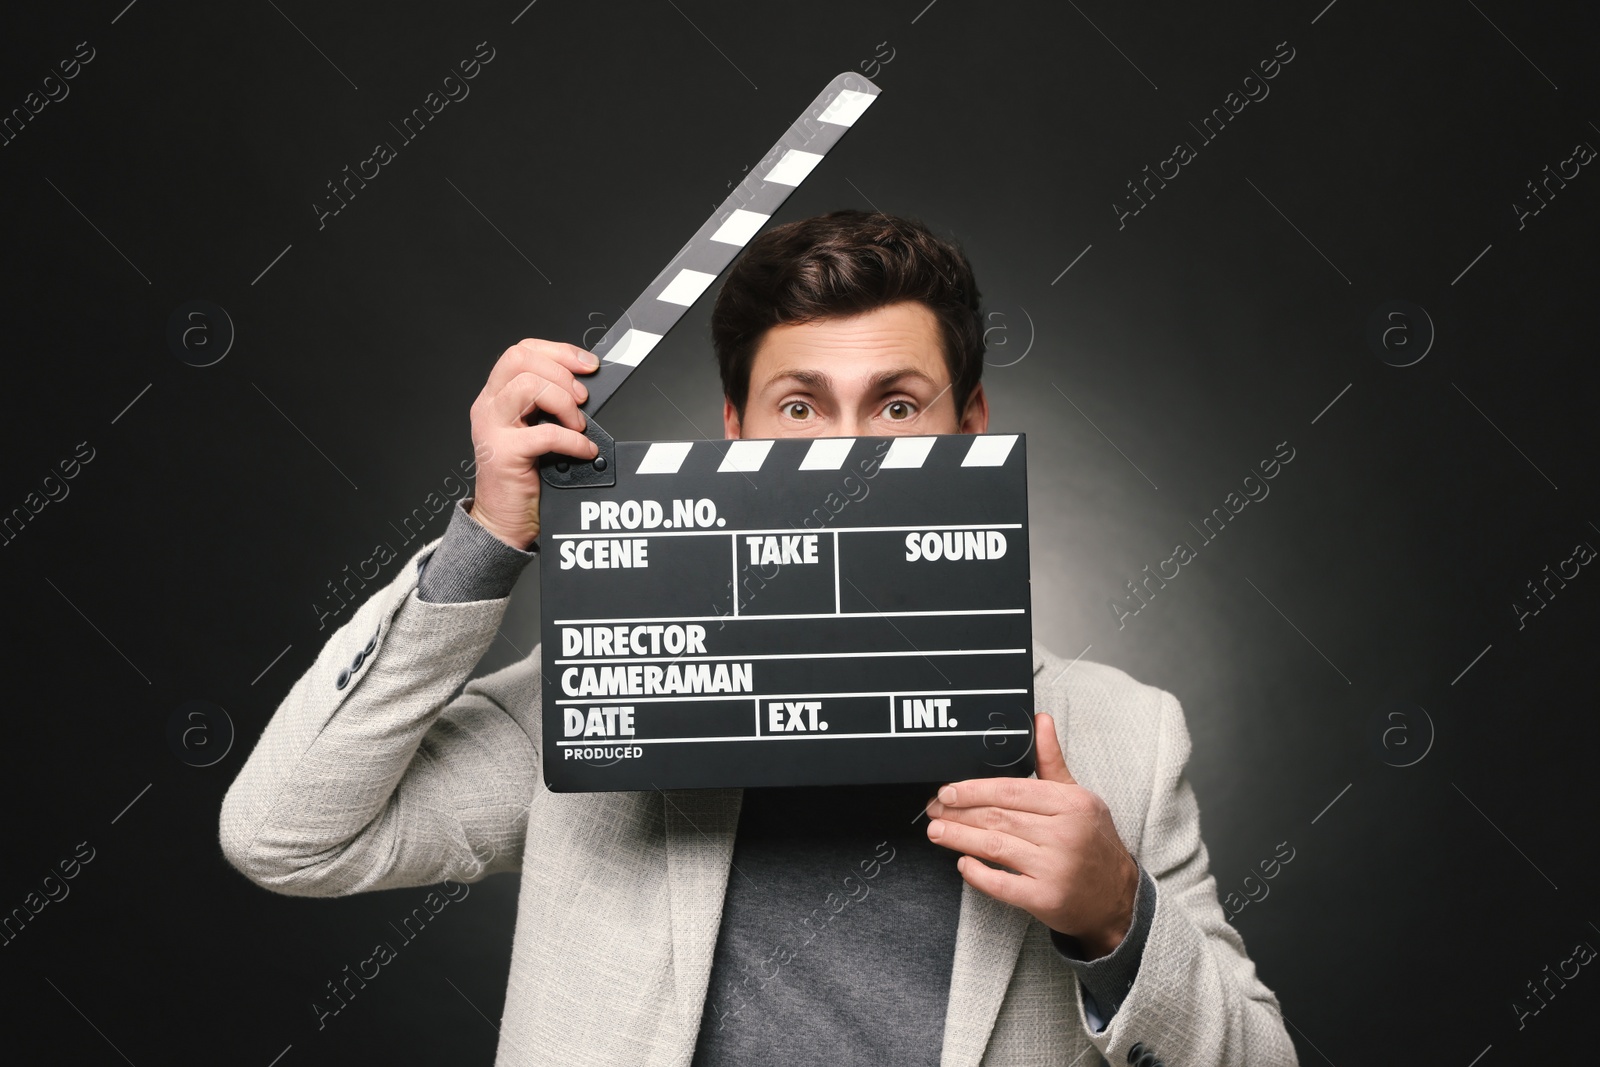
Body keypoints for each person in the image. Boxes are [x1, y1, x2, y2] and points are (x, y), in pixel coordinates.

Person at [219, 209, 1297, 1066]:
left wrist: (1117, 918)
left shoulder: (1124, 733)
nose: (843, 452)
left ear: (971, 427)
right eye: (797, 407)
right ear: (733, 432)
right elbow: (285, 833)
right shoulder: (609, 683)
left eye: (893, 405)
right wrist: (487, 537)